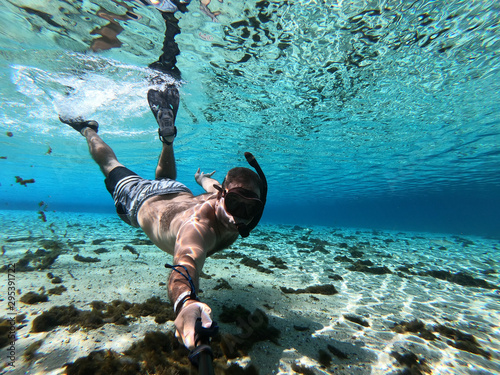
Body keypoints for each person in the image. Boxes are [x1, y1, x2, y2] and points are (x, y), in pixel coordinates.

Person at [59, 85, 267, 350]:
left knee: (165, 180)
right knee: (110, 164)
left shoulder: (219, 194)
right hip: (140, 199)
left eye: (250, 209)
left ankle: (167, 141)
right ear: (223, 196)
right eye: (235, 203)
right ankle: (86, 128)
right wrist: (185, 302)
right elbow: (185, 262)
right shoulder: (199, 228)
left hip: (178, 191)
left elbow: (212, 185)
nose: (240, 216)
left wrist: (201, 178)